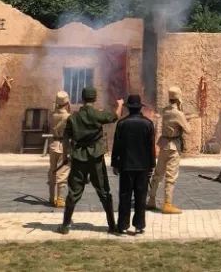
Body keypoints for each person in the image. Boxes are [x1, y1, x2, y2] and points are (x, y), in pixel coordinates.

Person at [56, 87, 123, 235]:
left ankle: (65, 225)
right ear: (94, 98)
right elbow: (114, 117)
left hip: (79, 157)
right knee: (104, 191)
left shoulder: (73, 118)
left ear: (82, 99)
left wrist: (66, 156)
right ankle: (112, 226)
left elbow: (66, 139)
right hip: (96, 158)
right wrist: (119, 105)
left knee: (73, 192)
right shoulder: (97, 114)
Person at [111, 94, 156, 235]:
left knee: (125, 196)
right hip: (143, 166)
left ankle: (123, 225)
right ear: (139, 108)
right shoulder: (148, 124)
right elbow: (151, 147)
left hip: (126, 165)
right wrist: (151, 165)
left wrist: (114, 163)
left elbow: (117, 145)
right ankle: (139, 225)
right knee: (141, 196)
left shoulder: (122, 123)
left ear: (129, 108)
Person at [148, 86, 191, 214]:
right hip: (173, 146)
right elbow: (188, 130)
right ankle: (167, 204)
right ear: (179, 98)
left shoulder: (165, 110)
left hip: (164, 144)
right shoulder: (178, 113)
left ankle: (151, 199)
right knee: (171, 176)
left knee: (158, 173)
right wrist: (186, 119)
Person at [47, 90, 72, 207]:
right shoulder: (68, 116)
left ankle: (52, 198)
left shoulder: (52, 114)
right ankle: (60, 199)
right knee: (63, 172)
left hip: (53, 144)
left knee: (52, 171)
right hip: (63, 145)